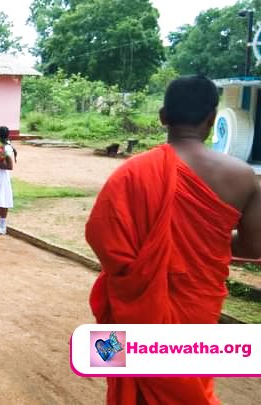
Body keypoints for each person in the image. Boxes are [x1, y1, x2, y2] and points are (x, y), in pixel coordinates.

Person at [87, 76, 261, 404]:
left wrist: (148, 261)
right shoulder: (244, 178)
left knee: (140, 384)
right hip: (197, 300)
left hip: (139, 304)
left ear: (163, 116)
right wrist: (208, 242)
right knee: (189, 380)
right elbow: (254, 247)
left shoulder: (132, 172)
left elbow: (101, 237)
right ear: (212, 119)